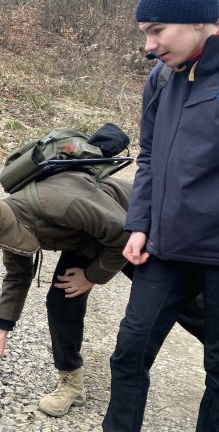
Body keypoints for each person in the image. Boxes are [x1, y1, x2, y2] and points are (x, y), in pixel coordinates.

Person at [0, 170, 205, 418]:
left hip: (130, 226)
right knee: (61, 301)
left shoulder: (61, 205)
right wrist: (2, 329)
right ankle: (71, 383)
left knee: (178, 301)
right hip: (87, 239)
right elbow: (17, 276)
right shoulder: (10, 226)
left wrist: (91, 276)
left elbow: (121, 234)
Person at [104, 1, 219, 430]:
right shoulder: (161, 77)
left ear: (198, 18)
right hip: (164, 248)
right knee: (129, 352)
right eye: (145, 34)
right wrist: (139, 223)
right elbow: (149, 156)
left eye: (157, 30)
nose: (149, 46)